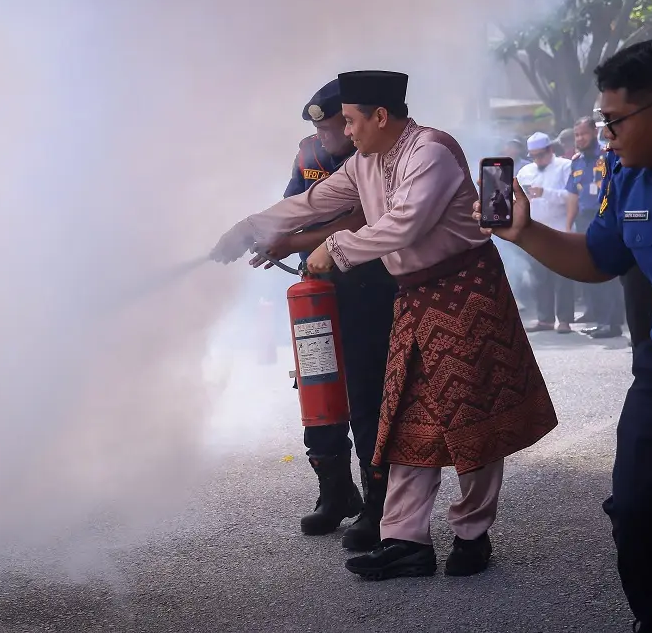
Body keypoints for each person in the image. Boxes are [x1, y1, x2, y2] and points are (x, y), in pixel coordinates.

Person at [211, 70, 558, 581]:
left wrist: (333, 248)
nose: (346, 132)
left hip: (465, 292)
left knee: (473, 422)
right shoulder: (364, 162)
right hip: (414, 298)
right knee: (403, 422)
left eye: (351, 121)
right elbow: (311, 202)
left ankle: (472, 534)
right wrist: (249, 228)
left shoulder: (431, 152)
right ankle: (405, 540)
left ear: (379, 116)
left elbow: (404, 223)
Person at [474, 38, 652, 632]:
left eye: (614, 121)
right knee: (637, 512)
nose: (606, 136)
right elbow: (599, 258)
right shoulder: (628, 176)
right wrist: (524, 232)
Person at [250, 79, 398, 551]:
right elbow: (296, 204)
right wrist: (259, 232)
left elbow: (360, 219)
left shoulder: (373, 153)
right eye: (320, 129)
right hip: (316, 289)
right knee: (316, 384)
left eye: (333, 125)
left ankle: (378, 504)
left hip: (367, 287)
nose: (328, 136)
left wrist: (291, 241)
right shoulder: (309, 153)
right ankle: (334, 490)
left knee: (365, 392)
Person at [566, 116, 626, 337]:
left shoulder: (609, 155)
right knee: (590, 268)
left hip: (605, 217)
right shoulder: (576, 161)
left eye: (583, 134)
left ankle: (611, 323)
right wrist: (568, 225)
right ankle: (600, 319)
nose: (580, 138)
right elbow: (573, 195)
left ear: (594, 132)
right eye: (577, 135)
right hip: (584, 219)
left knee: (606, 269)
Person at [517, 132, 575, 333]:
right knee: (540, 278)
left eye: (541, 155)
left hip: (560, 229)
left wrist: (545, 193)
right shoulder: (525, 171)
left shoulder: (565, 166)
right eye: (533, 156)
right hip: (535, 231)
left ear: (550, 150)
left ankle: (565, 319)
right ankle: (545, 319)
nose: (538, 160)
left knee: (563, 278)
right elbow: (517, 197)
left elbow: (571, 196)